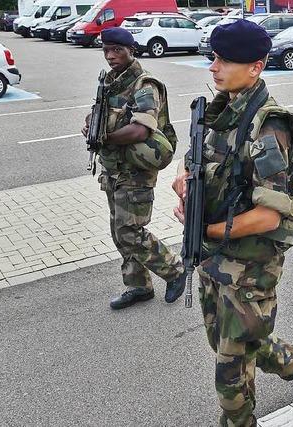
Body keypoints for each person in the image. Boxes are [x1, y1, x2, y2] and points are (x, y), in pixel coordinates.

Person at [171, 20, 293, 426]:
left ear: (255, 68)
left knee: (231, 366)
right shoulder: (220, 113)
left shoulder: (269, 126)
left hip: (250, 265)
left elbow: (269, 214)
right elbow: (207, 172)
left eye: (224, 60)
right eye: (214, 58)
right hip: (215, 256)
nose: (213, 67)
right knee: (233, 343)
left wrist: (204, 229)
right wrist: (187, 186)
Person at [81, 27, 187, 309]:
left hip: (136, 170)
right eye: (106, 50)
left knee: (130, 231)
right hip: (114, 169)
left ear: (132, 50)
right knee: (119, 231)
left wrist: (106, 139)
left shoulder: (145, 85)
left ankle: (175, 269)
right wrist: (91, 125)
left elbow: (141, 130)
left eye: (117, 50)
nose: (110, 56)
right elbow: (102, 113)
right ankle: (138, 285)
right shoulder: (110, 81)